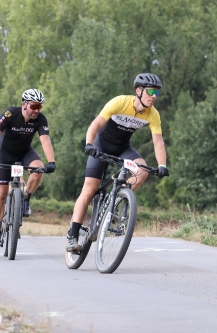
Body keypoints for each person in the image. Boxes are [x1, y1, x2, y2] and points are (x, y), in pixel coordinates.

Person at [66, 73, 170, 252]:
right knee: (90, 189)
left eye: (157, 93)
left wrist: (162, 165)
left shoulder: (153, 114)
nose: (154, 96)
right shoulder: (120, 102)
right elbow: (95, 125)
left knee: (142, 171)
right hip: (101, 146)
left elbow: (158, 141)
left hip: (123, 148)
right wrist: (89, 144)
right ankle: (73, 235)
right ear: (138, 91)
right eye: (151, 91)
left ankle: (115, 198)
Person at [0, 88, 57, 246]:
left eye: (39, 107)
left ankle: (26, 198)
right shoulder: (9, 114)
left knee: (38, 169)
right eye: (33, 106)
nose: (36, 110)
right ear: (24, 104)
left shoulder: (41, 119)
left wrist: (51, 161)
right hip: (4, 154)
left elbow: (45, 141)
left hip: (24, 153)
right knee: (0, 194)